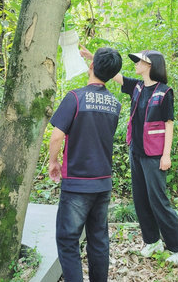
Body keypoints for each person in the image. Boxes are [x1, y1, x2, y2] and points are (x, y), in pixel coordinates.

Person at [80, 47, 178, 265]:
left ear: (150, 65)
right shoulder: (137, 86)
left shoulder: (164, 92)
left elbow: (169, 124)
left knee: (158, 201)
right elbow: (116, 76)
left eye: (139, 61)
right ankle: (152, 242)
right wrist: (92, 57)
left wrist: (166, 155)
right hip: (136, 151)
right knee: (141, 200)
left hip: (155, 155)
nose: (136, 64)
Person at [49, 47, 123, 282]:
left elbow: (57, 137)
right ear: (112, 75)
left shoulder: (75, 98)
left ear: (91, 66)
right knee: (98, 239)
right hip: (103, 182)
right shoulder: (114, 104)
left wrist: (53, 162)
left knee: (68, 240)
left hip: (77, 183)